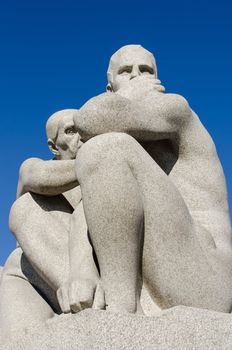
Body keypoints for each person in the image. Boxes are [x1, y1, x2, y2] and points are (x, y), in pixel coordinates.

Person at [70, 45, 232, 314]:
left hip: (208, 279)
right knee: (27, 211)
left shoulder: (176, 110)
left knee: (105, 148)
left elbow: (89, 118)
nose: (137, 76)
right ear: (110, 87)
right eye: (126, 71)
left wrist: (128, 95)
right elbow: (80, 213)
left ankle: (122, 310)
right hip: (160, 267)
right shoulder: (126, 162)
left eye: (145, 70)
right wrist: (80, 269)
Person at [0, 109, 101, 339]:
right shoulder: (35, 167)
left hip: (95, 272)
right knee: (23, 212)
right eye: (71, 131)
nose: (81, 136)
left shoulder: (104, 178)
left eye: (85, 128)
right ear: (54, 147)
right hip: (38, 278)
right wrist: (99, 160)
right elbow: (34, 176)